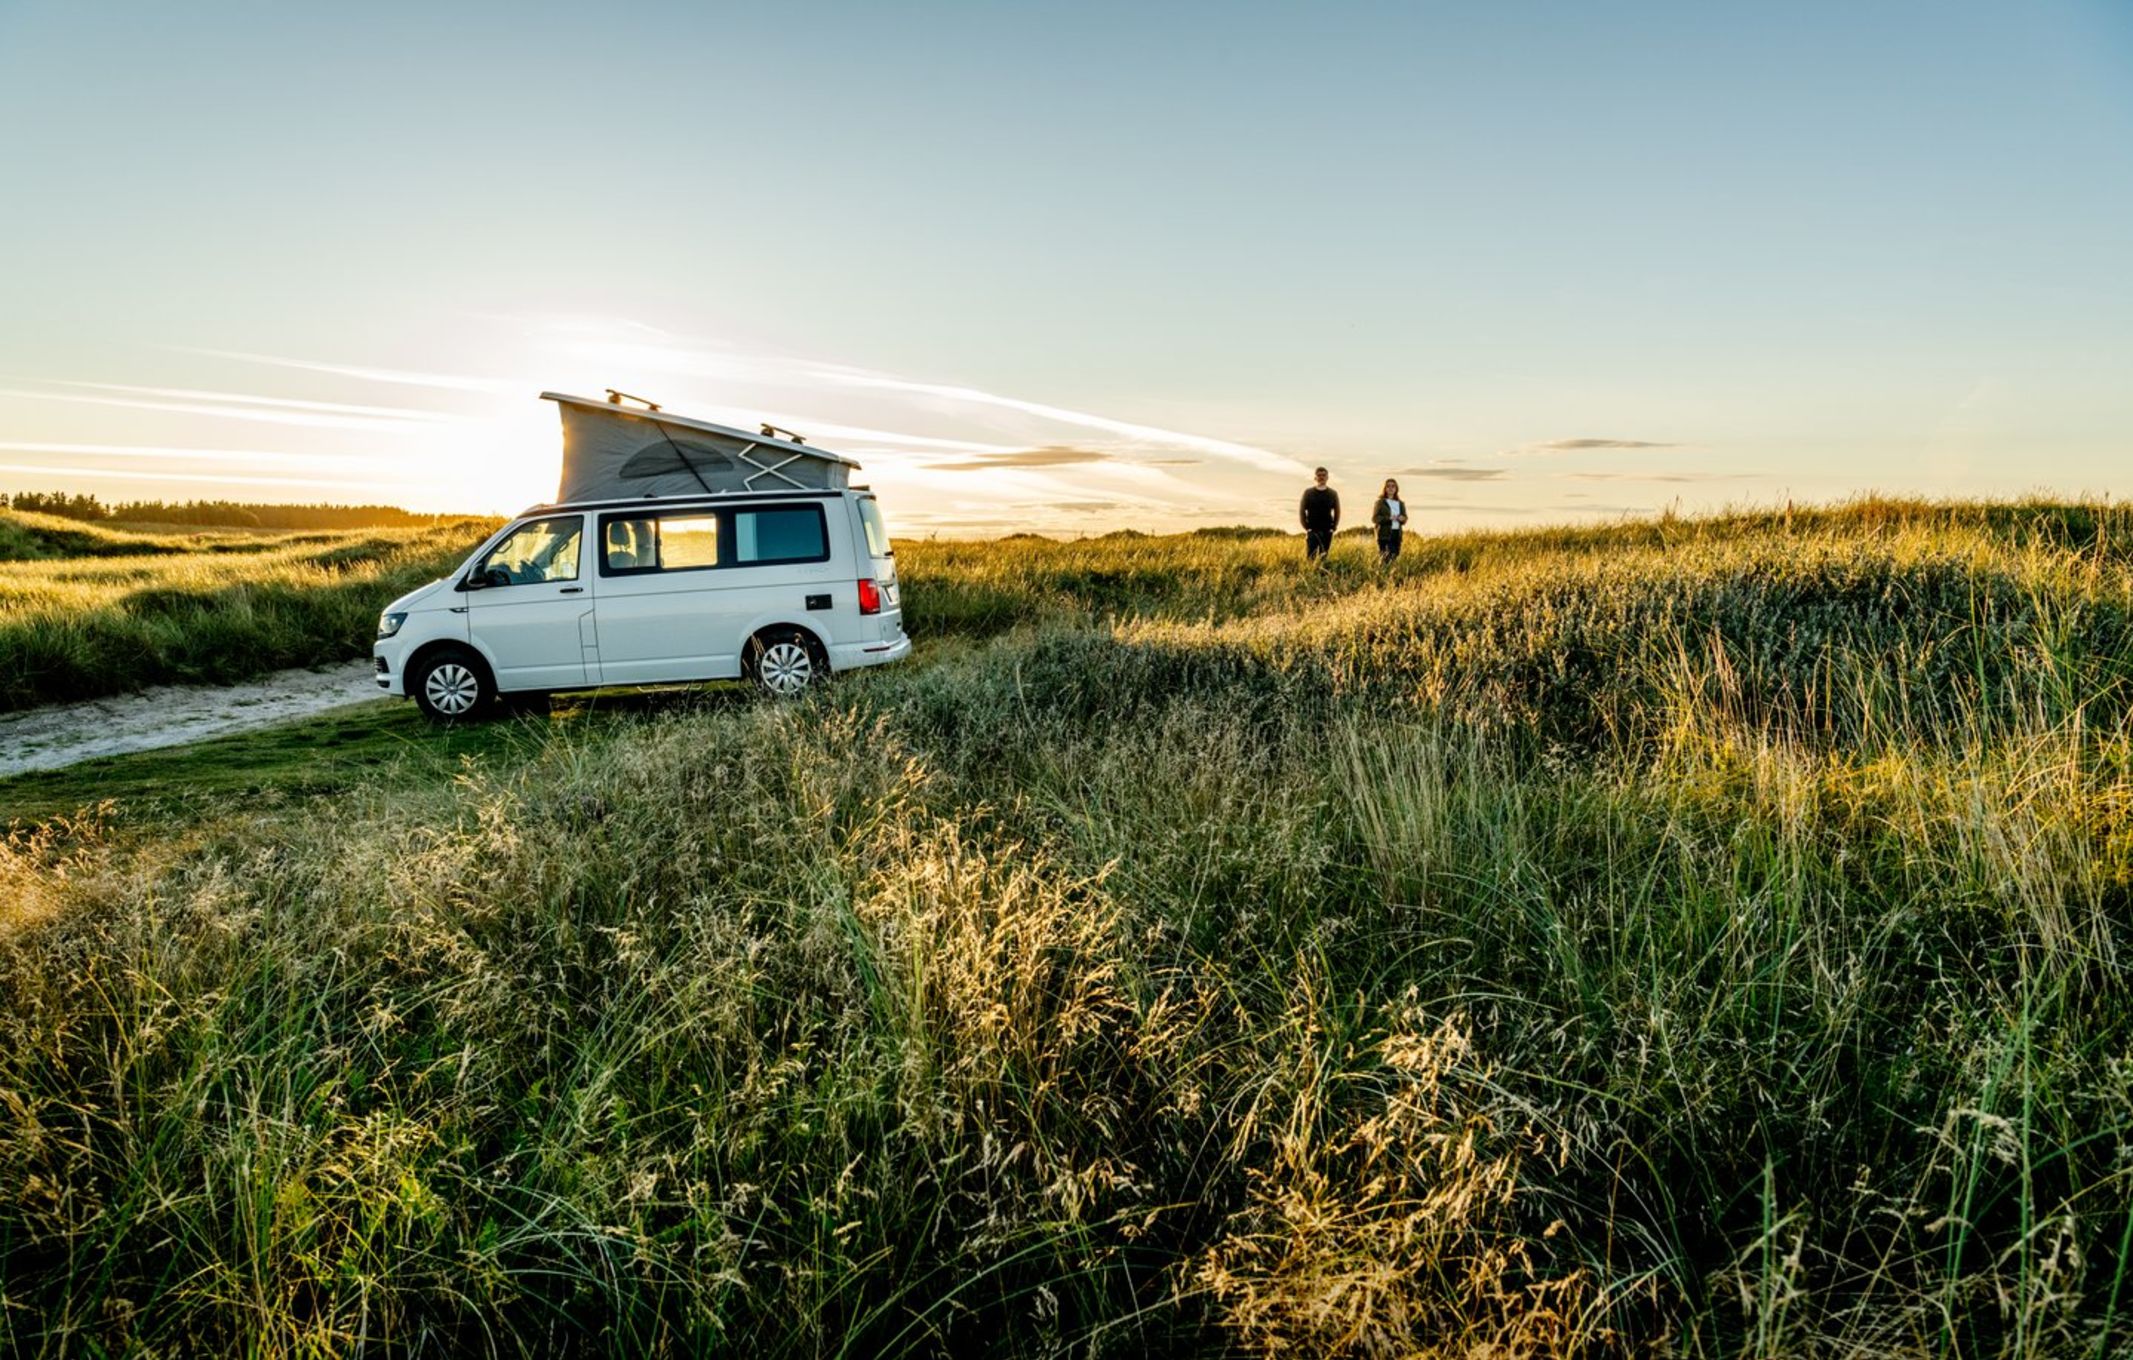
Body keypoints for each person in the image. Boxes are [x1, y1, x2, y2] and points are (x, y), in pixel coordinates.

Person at [1299, 467, 1340, 562]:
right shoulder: (1308, 493)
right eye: (1319, 475)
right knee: (1310, 558)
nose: (1321, 477)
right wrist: (1306, 527)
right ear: (1315, 478)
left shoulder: (1333, 493)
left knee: (1323, 557)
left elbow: (1337, 511)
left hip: (1327, 529)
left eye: (1324, 475)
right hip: (1312, 529)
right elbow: (1301, 511)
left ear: (1327, 478)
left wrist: (1333, 527)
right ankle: (1311, 571)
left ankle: (1322, 571)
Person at [1371, 478, 1407, 564]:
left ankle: (1390, 572)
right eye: (1388, 486)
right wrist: (1389, 518)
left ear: (1396, 489)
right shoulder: (1380, 503)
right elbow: (1375, 518)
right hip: (1384, 535)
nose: (1391, 488)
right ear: (1385, 489)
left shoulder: (1400, 503)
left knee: (1394, 558)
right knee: (1385, 559)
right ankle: (1383, 572)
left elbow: (1404, 518)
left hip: (1396, 534)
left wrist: (1402, 519)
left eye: (1393, 486)